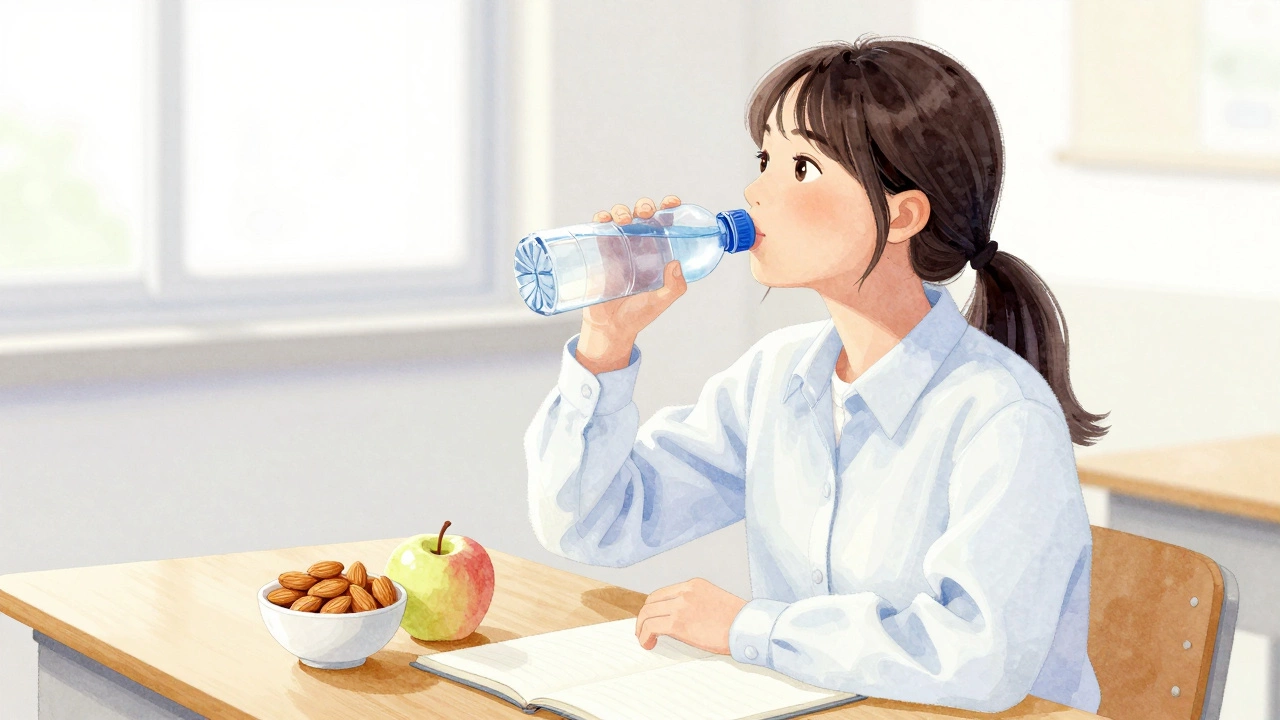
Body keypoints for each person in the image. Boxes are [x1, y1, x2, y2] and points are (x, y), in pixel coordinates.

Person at [524, 36, 1108, 714]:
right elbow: (593, 526)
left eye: (800, 168)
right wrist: (605, 344)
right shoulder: (777, 378)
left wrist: (749, 627)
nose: (754, 191)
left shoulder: (1002, 418)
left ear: (904, 214)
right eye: (764, 158)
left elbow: (976, 658)